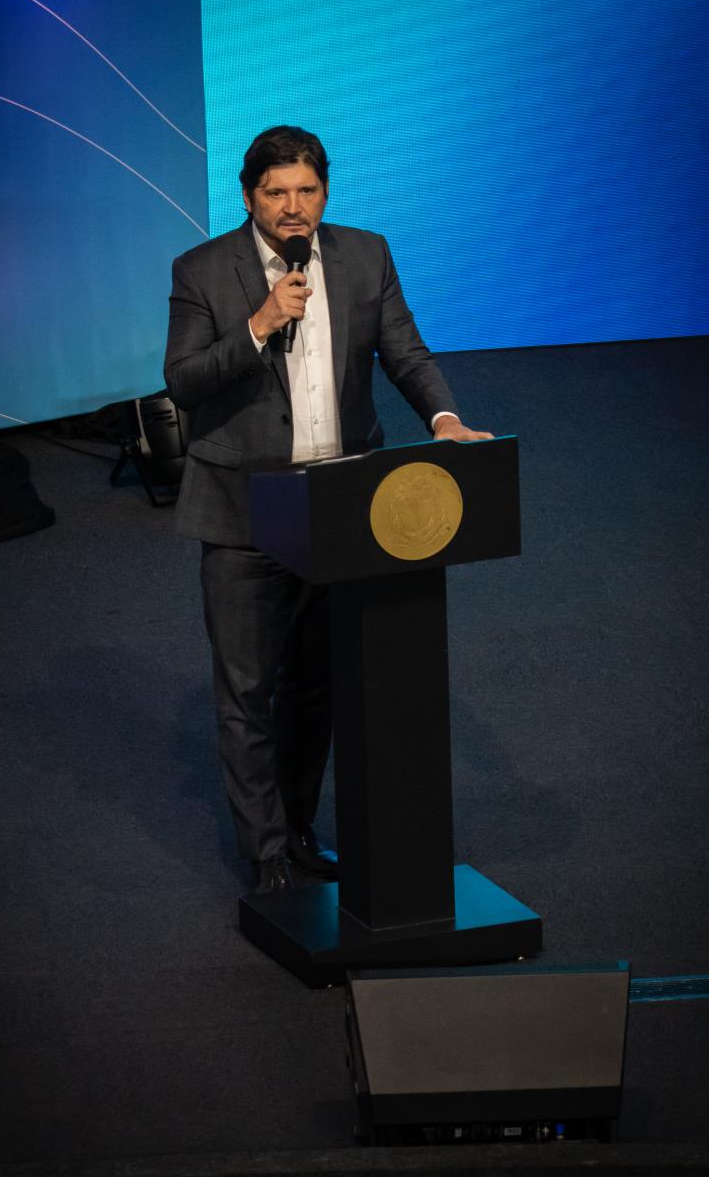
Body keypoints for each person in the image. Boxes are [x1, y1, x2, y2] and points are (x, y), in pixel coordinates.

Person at [164, 126, 491, 895]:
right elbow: (183, 380)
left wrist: (443, 418)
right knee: (247, 691)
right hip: (244, 508)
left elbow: (404, 351)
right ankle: (266, 853)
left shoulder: (365, 255)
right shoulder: (201, 270)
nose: (292, 206)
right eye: (275, 192)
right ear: (249, 197)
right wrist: (259, 323)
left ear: (325, 192)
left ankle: (299, 827)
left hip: (339, 505)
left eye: (306, 190)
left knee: (315, 685)